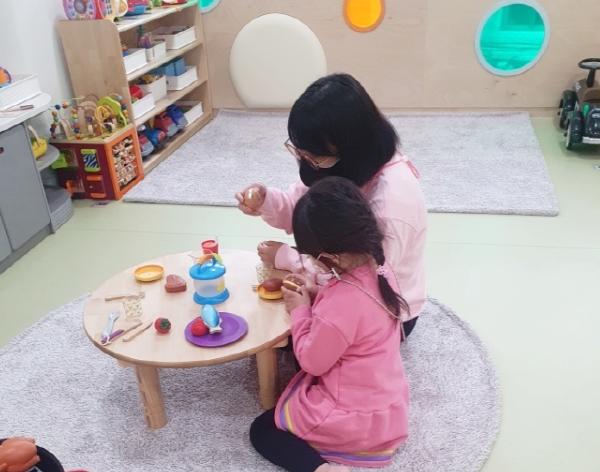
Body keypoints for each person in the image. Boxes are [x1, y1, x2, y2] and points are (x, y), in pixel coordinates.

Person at [236, 73, 426, 335]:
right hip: (346, 274)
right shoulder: (340, 166)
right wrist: (266, 200)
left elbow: (362, 283)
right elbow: (302, 209)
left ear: (349, 147)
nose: (305, 160)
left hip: (385, 312)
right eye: (300, 152)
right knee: (274, 299)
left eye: (312, 155)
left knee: (288, 327)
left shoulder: (391, 204)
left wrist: (290, 259)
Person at [250, 177, 410, 471]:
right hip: (388, 409)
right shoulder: (382, 269)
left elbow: (312, 362)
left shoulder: (342, 302)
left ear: (329, 256)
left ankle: (323, 469)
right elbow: (358, 316)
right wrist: (317, 293)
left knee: (262, 430)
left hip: (355, 420)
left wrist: (300, 310)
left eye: (311, 257)